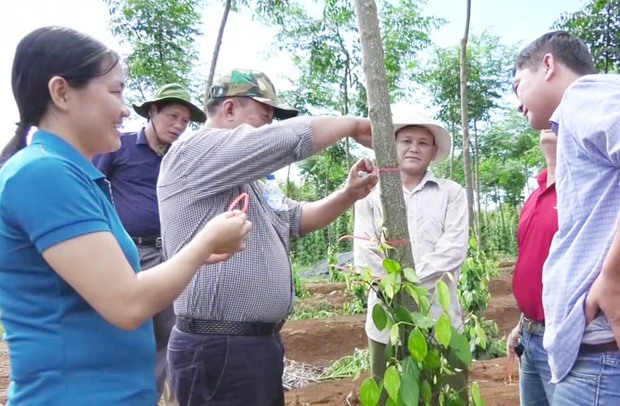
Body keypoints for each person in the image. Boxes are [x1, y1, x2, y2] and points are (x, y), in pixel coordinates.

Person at [0, 26, 251, 405]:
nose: (123, 108)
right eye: (116, 91)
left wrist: (197, 253)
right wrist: (202, 244)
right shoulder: (43, 174)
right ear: (62, 93)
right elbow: (128, 303)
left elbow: (118, 286)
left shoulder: (73, 175)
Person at [157, 68, 378, 405]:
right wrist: (351, 125)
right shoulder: (193, 152)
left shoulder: (253, 181)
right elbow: (287, 140)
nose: (270, 127)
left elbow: (294, 219)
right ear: (229, 109)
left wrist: (348, 194)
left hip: (256, 347)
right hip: (218, 349)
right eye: (265, 115)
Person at [513, 30, 620, 405]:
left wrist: (619, 273)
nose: (517, 104)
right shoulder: (577, 123)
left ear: (547, 65)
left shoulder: (585, 95)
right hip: (603, 358)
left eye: (517, 85)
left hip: (611, 361)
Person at [93, 83, 206, 404]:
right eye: (172, 116)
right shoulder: (120, 147)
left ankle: (160, 398)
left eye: (185, 121)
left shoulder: (180, 157)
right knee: (128, 330)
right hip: (130, 253)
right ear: (153, 112)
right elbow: (93, 189)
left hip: (171, 252)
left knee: (168, 333)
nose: (178, 126)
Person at [353, 106, 469, 401]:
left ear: (432, 152)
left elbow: (453, 250)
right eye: (406, 141)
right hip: (387, 323)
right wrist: (394, 288)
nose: (414, 148)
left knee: (449, 396)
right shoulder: (369, 194)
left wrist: (406, 282)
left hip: (440, 318)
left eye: (423, 142)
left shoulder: (451, 193)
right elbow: (365, 252)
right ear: (392, 147)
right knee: (389, 395)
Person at [506, 129, 557, 406]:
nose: (551, 122)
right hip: (530, 335)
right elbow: (534, 264)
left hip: (564, 340)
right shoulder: (535, 194)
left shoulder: (586, 192)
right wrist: (521, 324)